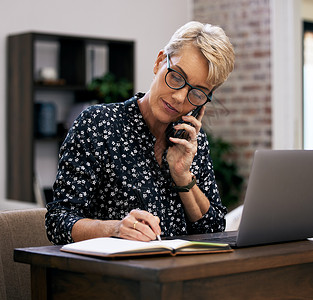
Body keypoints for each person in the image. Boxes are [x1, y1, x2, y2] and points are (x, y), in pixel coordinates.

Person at [45, 21, 235, 245]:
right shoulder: (97, 125)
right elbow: (58, 222)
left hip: (177, 272)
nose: (180, 98)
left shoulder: (192, 141)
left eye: (198, 93)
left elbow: (214, 231)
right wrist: (115, 228)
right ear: (158, 62)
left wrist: (183, 177)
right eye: (176, 77)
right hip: (112, 273)